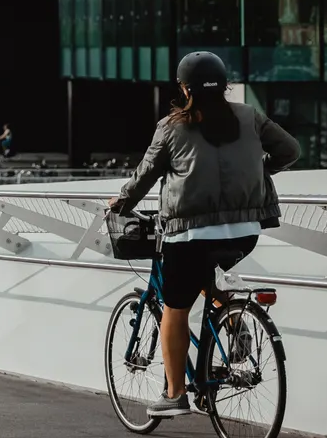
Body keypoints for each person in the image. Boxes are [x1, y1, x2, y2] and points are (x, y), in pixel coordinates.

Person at [108, 52, 300, 418]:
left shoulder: (171, 126)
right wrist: (262, 171)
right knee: (209, 274)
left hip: (190, 235)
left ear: (183, 87)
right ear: (225, 85)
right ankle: (231, 315)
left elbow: (145, 176)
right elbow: (291, 150)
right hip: (245, 233)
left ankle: (175, 393)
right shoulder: (249, 115)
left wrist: (121, 202)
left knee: (174, 310)